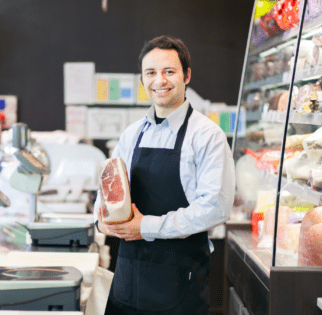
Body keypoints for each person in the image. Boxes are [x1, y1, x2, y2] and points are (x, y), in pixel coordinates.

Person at [94, 35, 235, 315]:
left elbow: (215, 208)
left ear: (187, 76)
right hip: (128, 282)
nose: (160, 80)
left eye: (169, 71)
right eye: (151, 73)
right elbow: (107, 193)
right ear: (142, 80)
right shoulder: (132, 134)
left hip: (180, 287)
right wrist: (102, 223)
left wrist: (145, 226)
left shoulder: (207, 136)